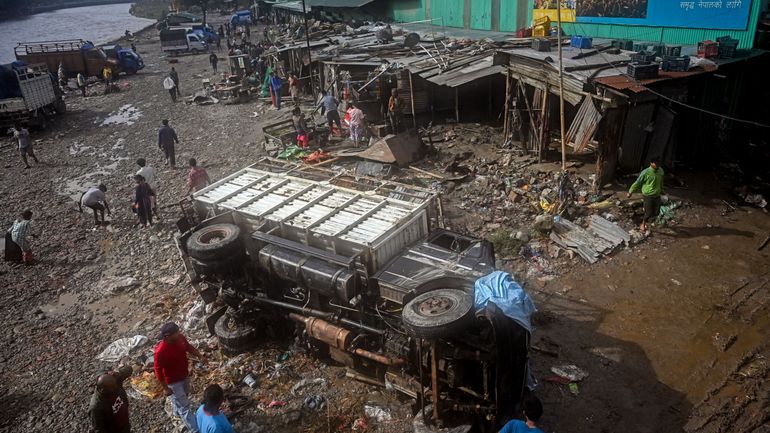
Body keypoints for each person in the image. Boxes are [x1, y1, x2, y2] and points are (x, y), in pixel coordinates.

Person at [154, 322, 202, 433]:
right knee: (184, 407)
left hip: (184, 375)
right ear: (167, 336)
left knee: (184, 395)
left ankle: (176, 411)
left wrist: (200, 356)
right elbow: (158, 371)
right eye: (176, 333)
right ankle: (195, 430)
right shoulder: (160, 351)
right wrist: (166, 388)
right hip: (173, 382)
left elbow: (189, 347)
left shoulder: (180, 338)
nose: (179, 334)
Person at [89, 366, 133, 433]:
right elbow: (99, 429)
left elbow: (129, 369)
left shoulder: (113, 382)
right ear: (103, 390)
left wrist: (116, 373)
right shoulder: (96, 407)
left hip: (124, 423)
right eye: (113, 387)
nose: (116, 388)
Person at [627, 157, 664, 232]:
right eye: (656, 163)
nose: (658, 165)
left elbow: (661, 182)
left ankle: (646, 208)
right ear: (651, 163)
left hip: (657, 194)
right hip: (648, 195)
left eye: (659, 163)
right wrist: (630, 191)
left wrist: (662, 190)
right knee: (649, 213)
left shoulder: (661, 171)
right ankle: (643, 224)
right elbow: (637, 183)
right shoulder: (645, 172)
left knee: (657, 212)